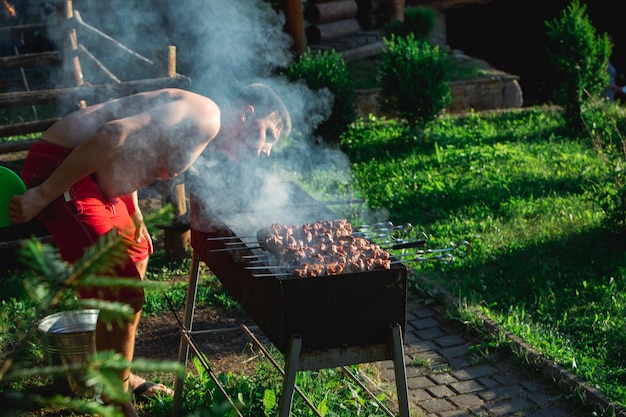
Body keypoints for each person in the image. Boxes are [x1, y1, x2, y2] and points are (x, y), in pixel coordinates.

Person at [7, 84, 291, 417]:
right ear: (246, 114)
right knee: (124, 291)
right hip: (63, 167)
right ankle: (114, 398)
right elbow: (113, 133)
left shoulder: (206, 130)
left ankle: (119, 377)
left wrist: (135, 211)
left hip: (98, 179)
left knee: (138, 253)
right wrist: (42, 195)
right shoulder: (206, 117)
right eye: (269, 135)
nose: (268, 150)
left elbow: (136, 151)